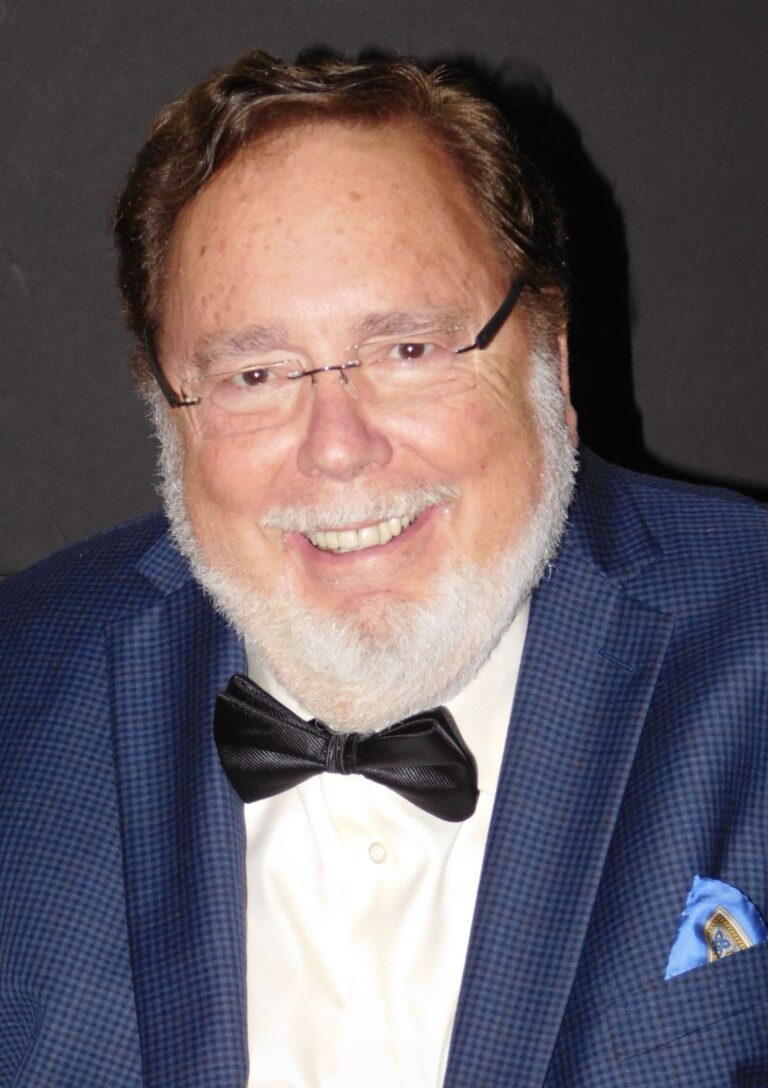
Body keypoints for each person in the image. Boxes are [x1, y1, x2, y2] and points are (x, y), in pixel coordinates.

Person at [1, 49, 767, 1088]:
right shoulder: (18, 694)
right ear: (168, 415)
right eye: (255, 373)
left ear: (552, 361)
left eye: (409, 349)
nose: (338, 448)